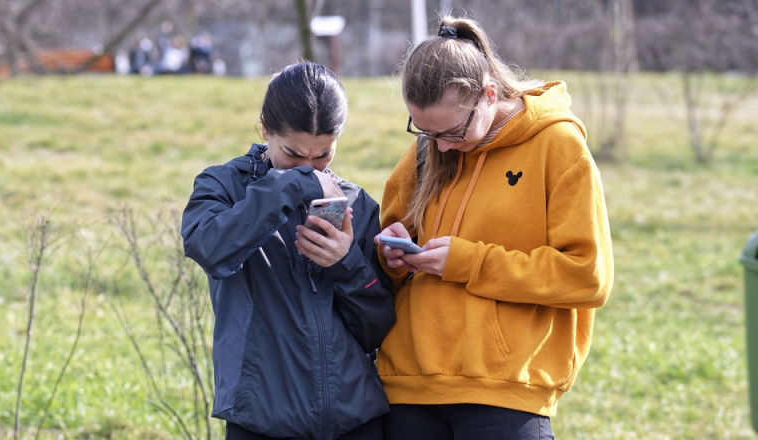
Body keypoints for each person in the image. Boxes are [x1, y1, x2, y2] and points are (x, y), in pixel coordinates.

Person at [375, 16, 614, 440]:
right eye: (424, 130)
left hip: (505, 392)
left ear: (488, 94)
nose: (441, 145)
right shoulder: (429, 146)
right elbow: (388, 255)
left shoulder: (558, 145)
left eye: (452, 131)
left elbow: (587, 276)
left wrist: (468, 262)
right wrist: (390, 255)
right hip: (406, 387)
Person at [182, 62, 396, 440]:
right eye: (294, 155)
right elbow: (208, 248)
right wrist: (290, 186)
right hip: (260, 422)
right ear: (266, 128)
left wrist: (345, 264)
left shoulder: (357, 204)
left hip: (357, 422)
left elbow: (376, 328)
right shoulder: (224, 186)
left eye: (323, 156)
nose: (309, 169)